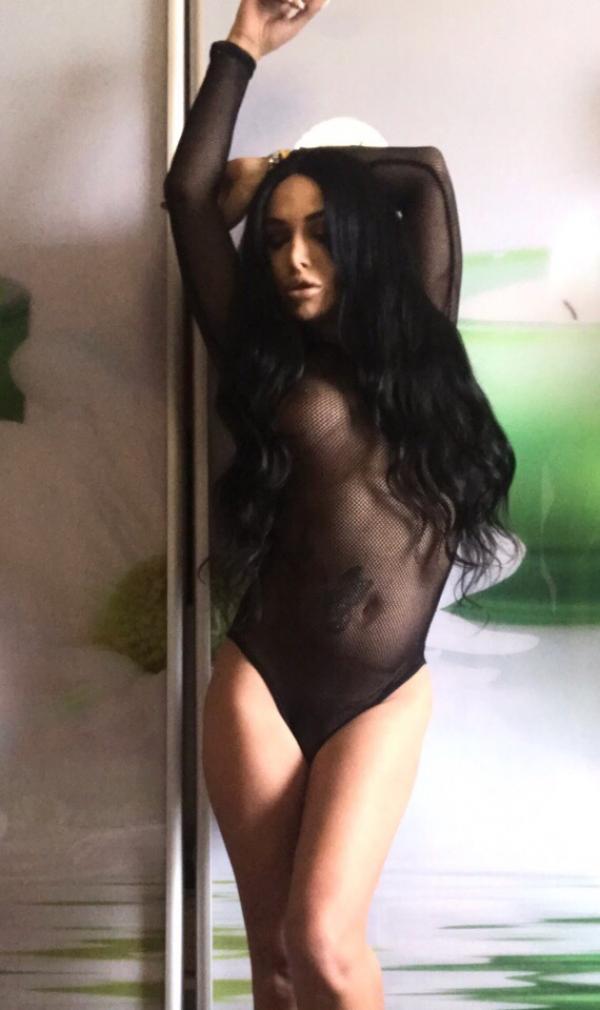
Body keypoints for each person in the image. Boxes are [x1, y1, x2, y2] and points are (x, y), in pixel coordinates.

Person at [163, 2, 518, 1007]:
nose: (294, 258)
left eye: (321, 234)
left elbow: (424, 177)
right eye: (275, 237)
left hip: (381, 691)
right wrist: (243, 45)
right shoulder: (257, 353)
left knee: (323, 942)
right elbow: (188, 195)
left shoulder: (423, 333)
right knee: (276, 963)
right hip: (260, 683)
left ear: (361, 240)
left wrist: (286, 165)